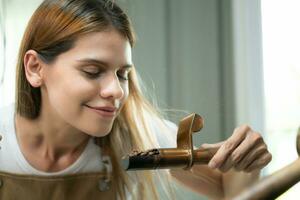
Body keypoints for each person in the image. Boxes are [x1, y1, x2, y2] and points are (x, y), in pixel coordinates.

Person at [0, 0, 272, 199]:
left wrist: (246, 164)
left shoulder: (137, 134)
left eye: (122, 74)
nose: (116, 91)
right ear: (35, 68)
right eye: (92, 71)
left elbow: (229, 193)